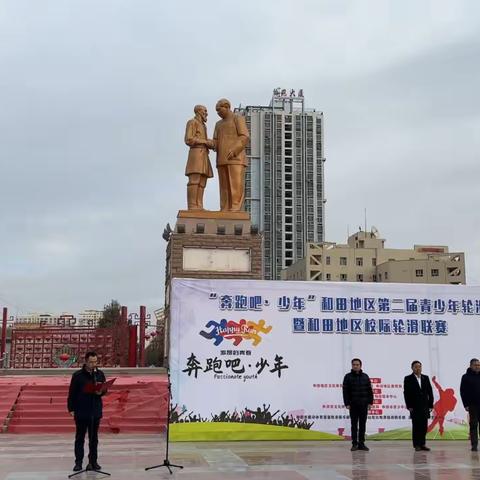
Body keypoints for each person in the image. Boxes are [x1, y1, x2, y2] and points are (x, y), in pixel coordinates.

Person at [67, 351, 107, 472]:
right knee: (80, 437)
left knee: (94, 438)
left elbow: (104, 389)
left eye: (95, 362)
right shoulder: (78, 375)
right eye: (91, 362)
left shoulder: (99, 374)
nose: (93, 364)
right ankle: (78, 462)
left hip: (95, 410)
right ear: (86, 361)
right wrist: (71, 409)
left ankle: (93, 461)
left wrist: (101, 392)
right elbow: (72, 393)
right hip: (81, 411)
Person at [213, 98, 249, 211]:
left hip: (236, 158)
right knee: (224, 187)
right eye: (217, 111)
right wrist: (203, 142)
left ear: (227, 107)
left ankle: (235, 208)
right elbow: (215, 141)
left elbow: (244, 136)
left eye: (219, 109)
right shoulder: (218, 124)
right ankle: (224, 208)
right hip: (221, 159)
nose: (218, 113)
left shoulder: (237, 118)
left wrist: (234, 150)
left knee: (236, 185)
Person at [184, 105, 214, 210]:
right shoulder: (192, 122)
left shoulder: (203, 125)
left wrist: (210, 143)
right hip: (196, 153)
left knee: (202, 181)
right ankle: (192, 205)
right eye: (205, 111)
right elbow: (188, 139)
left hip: (204, 154)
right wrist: (205, 142)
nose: (206, 113)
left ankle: (199, 205)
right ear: (198, 111)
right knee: (194, 180)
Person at [342, 358, 373, 451]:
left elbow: (369, 391)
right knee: (354, 424)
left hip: (363, 404)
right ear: (352, 366)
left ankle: (362, 443)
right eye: (354, 364)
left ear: (360, 366)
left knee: (363, 424)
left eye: (357, 364)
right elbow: (345, 391)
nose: (355, 366)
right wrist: (347, 403)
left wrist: (370, 402)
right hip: (353, 404)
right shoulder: (347, 377)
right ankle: (354, 443)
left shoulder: (365, 376)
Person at [403, 360, 434, 451]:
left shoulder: (425, 378)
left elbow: (430, 392)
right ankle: (416, 445)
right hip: (414, 406)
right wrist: (409, 406)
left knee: (424, 426)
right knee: (416, 426)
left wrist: (431, 404)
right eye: (416, 367)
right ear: (412, 368)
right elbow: (406, 393)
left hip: (424, 406)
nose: (418, 368)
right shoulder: (408, 378)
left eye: (419, 366)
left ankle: (422, 444)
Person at [460, 358, 480, 451]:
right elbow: (462, 392)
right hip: (472, 405)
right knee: (473, 425)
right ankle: (474, 445)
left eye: (478, 365)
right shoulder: (465, 377)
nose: (477, 366)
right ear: (471, 366)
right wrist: (466, 404)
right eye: (475, 365)